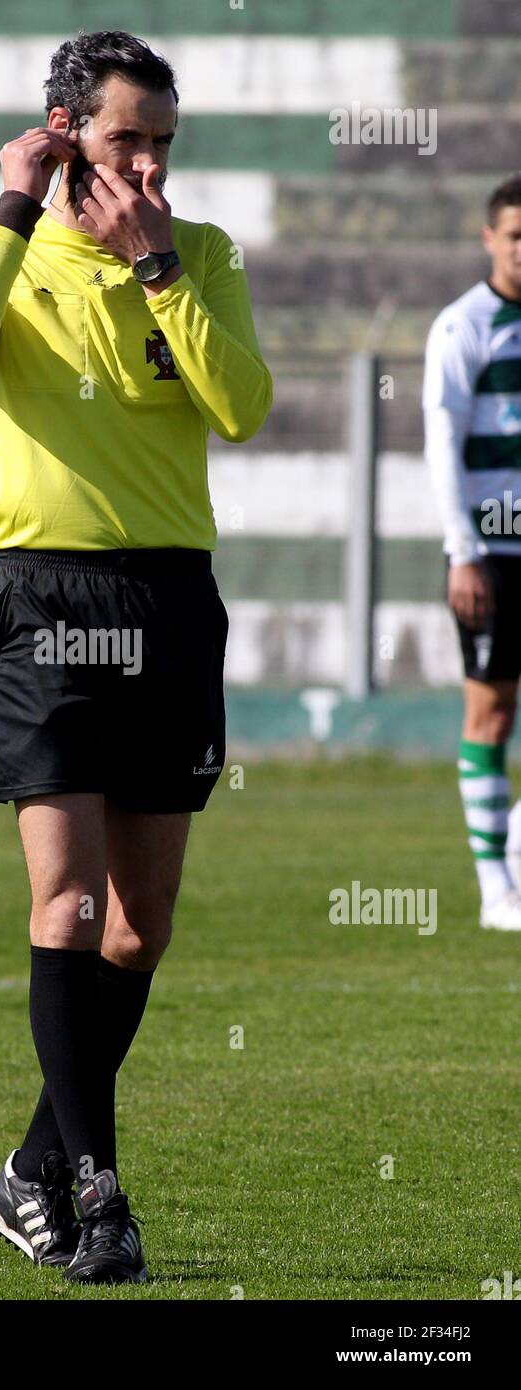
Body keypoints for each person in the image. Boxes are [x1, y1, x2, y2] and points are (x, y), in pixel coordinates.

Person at [0, 29, 272, 1283]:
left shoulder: (198, 254)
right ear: (65, 132)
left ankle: (28, 1170)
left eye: (165, 143)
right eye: (128, 139)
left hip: (171, 599)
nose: (152, 166)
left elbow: (241, 404)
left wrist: (158, 269)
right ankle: (99, 1194)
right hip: (48, 599)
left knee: (138, 926)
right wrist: (15, 203)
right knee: (63, 903)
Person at [424, 173, 521, 931]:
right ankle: (496, 890)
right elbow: (442, 443)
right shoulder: (465, 325)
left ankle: (515, 850)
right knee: (490, 714)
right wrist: (463, 551)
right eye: (516, 236)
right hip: (492, 554)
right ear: (490, 238)